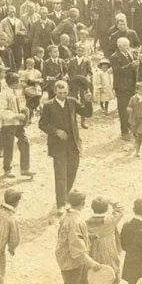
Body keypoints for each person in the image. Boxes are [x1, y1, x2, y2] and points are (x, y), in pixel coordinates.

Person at [39, 81, 93, 213]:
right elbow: (42, 124)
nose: (63, 95)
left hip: (73, 144)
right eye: (60, 93)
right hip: (58, 146)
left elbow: (87, 113)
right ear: (55, 91)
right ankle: (61, 204)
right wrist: (55, 131)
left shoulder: (72, 102)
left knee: (72, 172)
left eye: (65, 92)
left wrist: (88, 101)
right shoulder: (48, 105)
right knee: (60, 175)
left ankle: (65, 195)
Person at [56, 190, 103, 284]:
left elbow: (71, 238)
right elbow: (78, 251)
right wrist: (93, 264)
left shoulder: (66, 215)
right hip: (73, 263)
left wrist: (88, 236)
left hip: (67, 260)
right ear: (83, 203)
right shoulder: (76, 221)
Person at [86, 198, 125, 284]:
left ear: (92, 208)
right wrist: (111, 201)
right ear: (106, 208)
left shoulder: (86, 223)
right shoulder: (110, 220)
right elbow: (120, 209)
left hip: (94, 259)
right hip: (111, 257)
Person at [0, 72, 34, 179]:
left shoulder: (18, 93)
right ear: (13, 83)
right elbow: (2, 112)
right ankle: (7, 169)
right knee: (8, 146)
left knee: (25, 142)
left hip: (18, 124)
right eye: (18, 82)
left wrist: (25, 111)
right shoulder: (2, 95)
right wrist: (17, 115)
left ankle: (25, 169)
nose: (19, 83)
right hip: (8, 124)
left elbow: (22, 105)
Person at [110, 37, 139, 140]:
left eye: (128, 45)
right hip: (121, 87)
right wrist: (131, 66)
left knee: (132, 108)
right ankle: (124, 132)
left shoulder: (129, 53)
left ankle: (131, 127)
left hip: (131, 86)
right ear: (119, 46)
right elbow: (117, 71)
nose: (128, 47)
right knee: (123, 110)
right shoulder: (114, 56)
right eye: (126, 46)